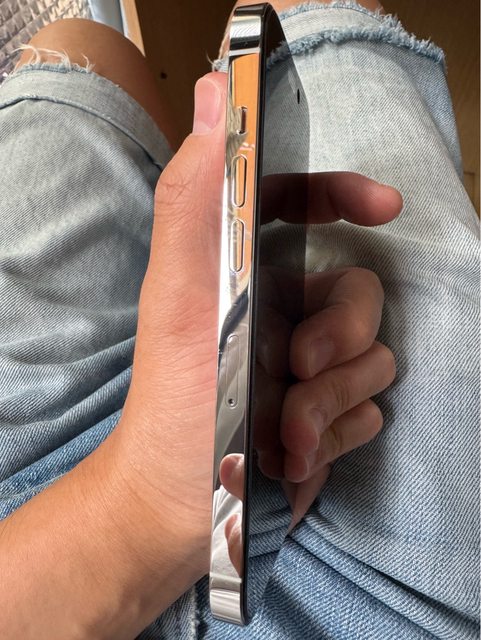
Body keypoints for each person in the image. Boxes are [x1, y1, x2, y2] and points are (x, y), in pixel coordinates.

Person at [0, 1, 478, 638]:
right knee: (296, 18)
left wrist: (138, 505)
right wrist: (143, 514)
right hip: (309, 591)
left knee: (82, 42)